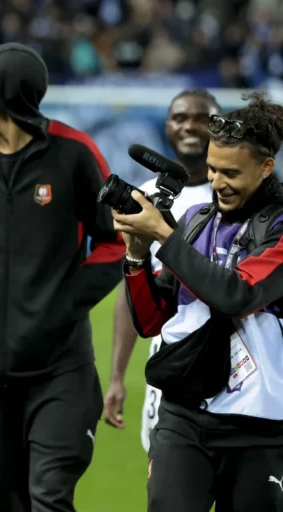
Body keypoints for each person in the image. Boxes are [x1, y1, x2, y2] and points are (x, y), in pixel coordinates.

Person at [0, 43, 125, 512]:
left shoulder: (74, 153)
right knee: (3, 505)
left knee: (50, 497)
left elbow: (114, 241)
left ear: (7, 87)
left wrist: (63, 303)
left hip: (61, 371)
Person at [115, 90, 283, 512]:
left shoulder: (279, 227)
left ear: (266, 168)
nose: (216, 182)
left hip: (258, 426)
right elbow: (153, 320)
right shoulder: (196, 221)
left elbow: (237, 294)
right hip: (184, 416)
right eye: (211, 169)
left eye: (230, 172)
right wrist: (136, 252)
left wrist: (166, 239)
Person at [103, 89, 222, 452]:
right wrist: (117, 376)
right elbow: (133, 288)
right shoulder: (146, 198)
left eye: (202, 118)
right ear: (167, 126)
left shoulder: (237, 193)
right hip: (171, 352)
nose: (190, 126)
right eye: (180, 118)